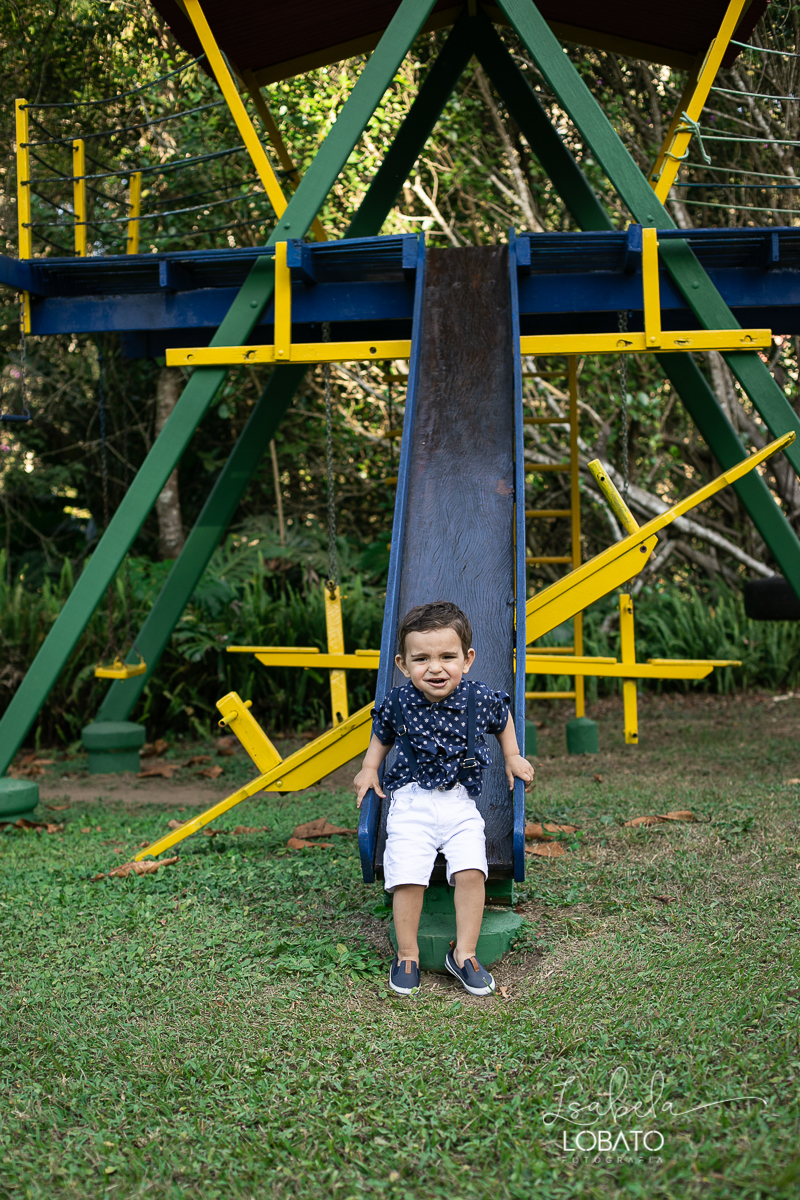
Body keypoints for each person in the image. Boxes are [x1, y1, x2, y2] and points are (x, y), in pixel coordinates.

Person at [354, 600, 534, 998]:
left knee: (472, 870)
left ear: (467, 660)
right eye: (421, 659)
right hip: (411, 803)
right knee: (408, 876)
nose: (435, 668)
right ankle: (407, 955)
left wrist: (512, 755)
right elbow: (382, 733)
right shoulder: (399, 702)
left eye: (447, 657)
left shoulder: (478, 698)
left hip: (458, 803)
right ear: (403, 665)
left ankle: (464, 953)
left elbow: (503, 719)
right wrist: (369, 767)